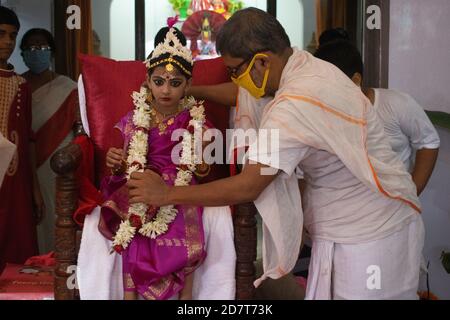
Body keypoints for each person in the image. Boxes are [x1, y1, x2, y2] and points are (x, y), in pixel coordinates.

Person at [128, 7, 425, 300]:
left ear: (261, 61)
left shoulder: (294, 103)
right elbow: (243, 94)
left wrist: (166, 194)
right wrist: (189, 92)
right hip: (354, 227)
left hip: (371, 235)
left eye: (234, 71)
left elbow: (249, 185)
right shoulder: (303, 65)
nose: (234, 79)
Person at [100, 27, 230, 300]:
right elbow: (127, 161)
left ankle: (186, 299)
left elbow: (204, 168)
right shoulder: (136, 116)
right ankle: (130, 296)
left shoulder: (196, 119)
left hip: (179, 184)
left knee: (186, 222)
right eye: (159, 82)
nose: (166, 90)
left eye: (175, 82)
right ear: (147, 81)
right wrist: (117, 163)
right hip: (143, 179)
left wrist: (203, 159)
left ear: (187, 84)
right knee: (134, 215)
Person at [314, 39, 440, 195]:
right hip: (342, 209)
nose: (322, 94)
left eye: (329, 87)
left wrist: (412, 192)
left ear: (356, 80)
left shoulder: (396, 104)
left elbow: (428, 142)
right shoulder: (317, 115)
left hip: (393, 209)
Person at [20, 28, 78, 254]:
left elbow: (79, 131)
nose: (37, 53)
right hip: (23, 166)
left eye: (43, 48)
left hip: (55, 167)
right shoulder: (16, 86)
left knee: (55, 218)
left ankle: (55, 267)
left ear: (52, 53)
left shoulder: (68, 88)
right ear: (23, 54)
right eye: (31, 48)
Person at [0, 6, 42, 272]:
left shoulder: (21, 84)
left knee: (16, 249)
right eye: (1, 34)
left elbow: (27, 139)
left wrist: (35, 189)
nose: (7, 42)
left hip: (16, 181)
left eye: (12, 35)